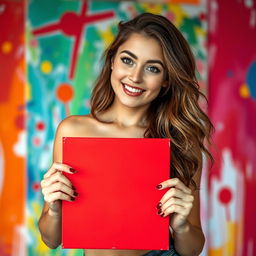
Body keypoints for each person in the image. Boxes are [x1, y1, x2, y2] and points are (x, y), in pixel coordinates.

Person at [39, 12, 213, 256]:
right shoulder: (73, 131)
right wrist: (54, 209)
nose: (135, 76)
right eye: (128, 60)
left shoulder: (181, 140)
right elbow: (50, 239)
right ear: (112, 61)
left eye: (152, 68)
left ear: (165, 80)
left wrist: (181, 224)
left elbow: (192, 249)